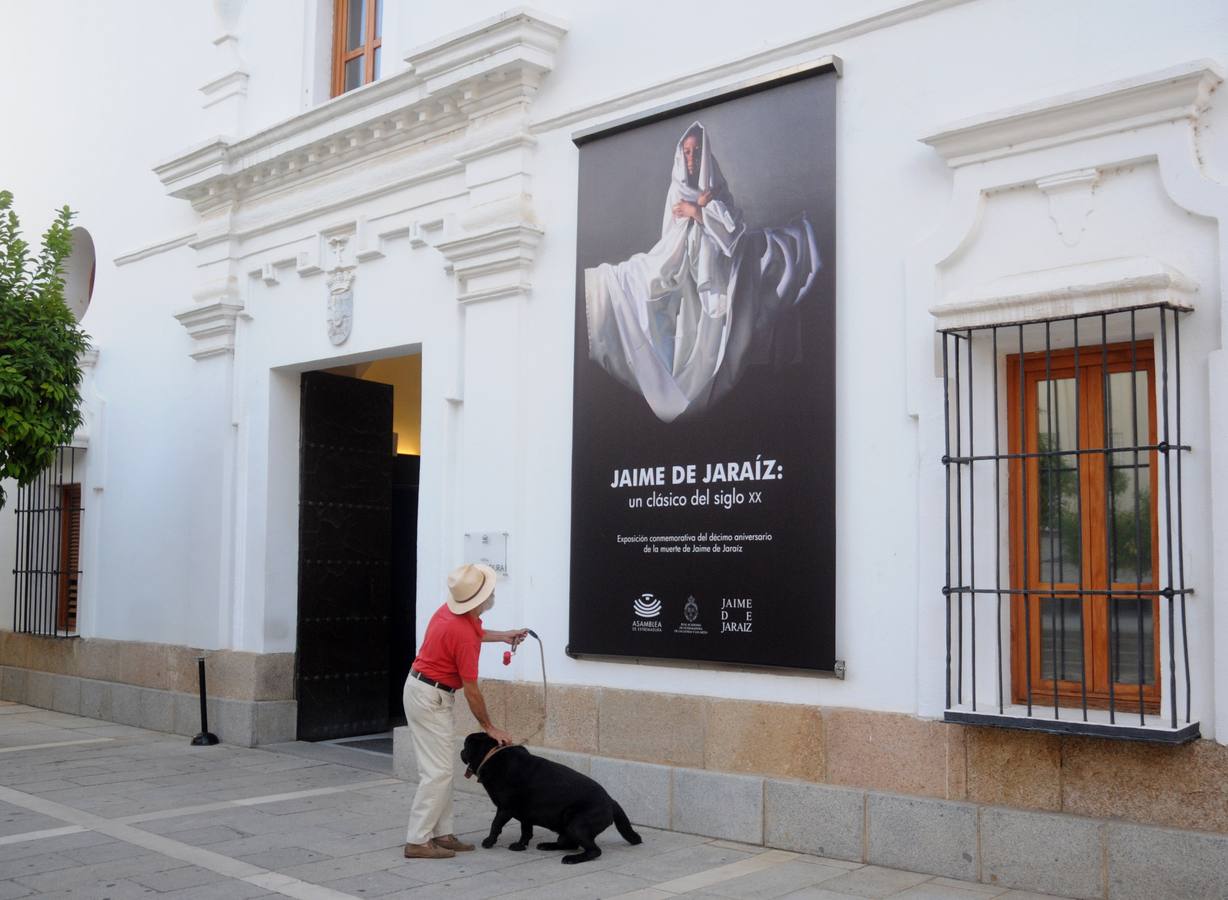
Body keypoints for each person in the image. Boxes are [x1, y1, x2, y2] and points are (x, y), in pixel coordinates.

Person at [584, 121, 821, 423]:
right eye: (687, 152)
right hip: (685, 284)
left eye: (696, 152)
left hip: (716, 286)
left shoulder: (716, 190)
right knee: (649, 305)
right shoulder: (676, 192)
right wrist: (693, 219)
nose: (692, 159)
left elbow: (732, 238)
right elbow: (672, 243)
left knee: (714, 346)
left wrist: (699, 212)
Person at [402, 562, 528, 859]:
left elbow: (476, 632)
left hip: (425, 691)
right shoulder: (464, 635)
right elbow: (472, 690)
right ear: (481, 599)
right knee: (437, 773)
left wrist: (505, 636)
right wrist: (490, 728)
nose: (493, 594)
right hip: (429, 697)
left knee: (441, 769)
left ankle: (442, 834)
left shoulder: (452, 613)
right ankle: (417, 840)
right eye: (490, 592)